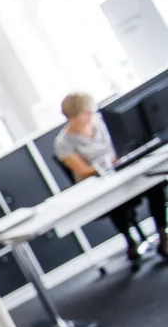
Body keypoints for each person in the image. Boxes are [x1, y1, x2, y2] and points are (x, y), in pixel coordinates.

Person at [54, 91, 168, 264]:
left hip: (125, 172)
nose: (90, 115)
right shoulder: (63, 143)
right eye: (85, 113)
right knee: (116, 203)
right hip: (100, 184)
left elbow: (122, 143)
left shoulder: (102, 121)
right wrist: (107, 165)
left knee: (154, 184)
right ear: (72, 117)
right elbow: (83, 171)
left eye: (91, 111)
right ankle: (130, 240)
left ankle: (163, 234)